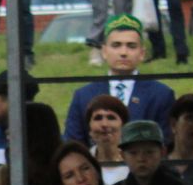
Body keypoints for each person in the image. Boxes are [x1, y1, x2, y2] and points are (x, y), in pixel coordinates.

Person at [63, 15, 176, 143]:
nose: (123, 52)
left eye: (131, 46)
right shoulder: (83, 96)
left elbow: (166, 143)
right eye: (116, 45)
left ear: (142, 53)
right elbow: (73, 144)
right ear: (104, 51)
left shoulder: (161, 94)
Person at [85, 94, 132, 185]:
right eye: (98, 118)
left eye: (111, 118)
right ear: (89, 129)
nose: (104, 124)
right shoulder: (83, 161)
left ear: (124, 126)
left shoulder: (133, 162)